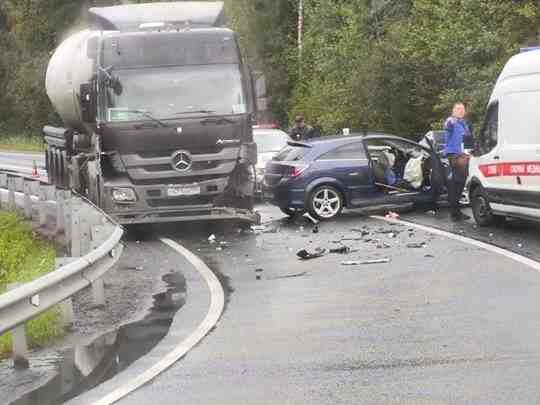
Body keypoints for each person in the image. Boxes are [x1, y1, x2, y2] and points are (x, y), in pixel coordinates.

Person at [444, 102, 471, 221]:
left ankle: (455, 211)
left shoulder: (463, 123)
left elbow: (467, 139)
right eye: (458, 109)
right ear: (453, 111)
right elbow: (448, 125)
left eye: (462, 109)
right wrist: (450, 120)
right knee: (458, 182)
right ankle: (454, 212)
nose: (461, 111)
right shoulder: (452, 121)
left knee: (459, 183)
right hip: (455, 155)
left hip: (463, 154)